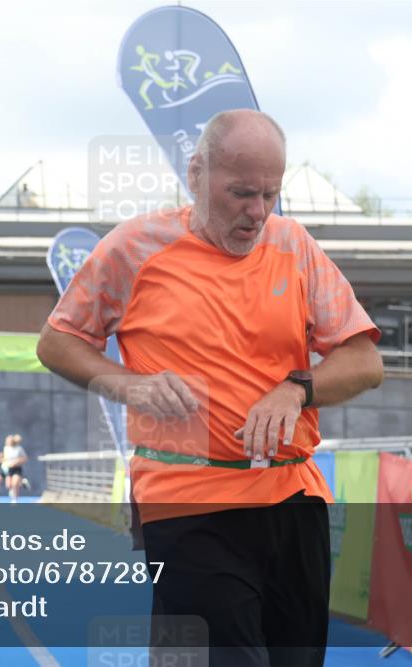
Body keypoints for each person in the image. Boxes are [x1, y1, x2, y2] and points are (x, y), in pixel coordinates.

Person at [37, 109, 383, 666]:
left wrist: (296, 390)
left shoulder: (293, 246)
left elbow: (364, 360)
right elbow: (56, 342)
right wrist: (130, 386)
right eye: (241, 193)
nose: (257, 212)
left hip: (292, 496)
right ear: (196, 173)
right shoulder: (135, 248)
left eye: (270, 194)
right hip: (186, 498)